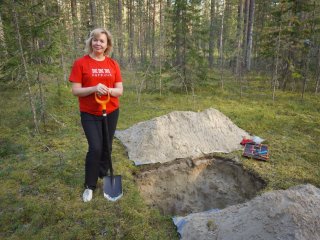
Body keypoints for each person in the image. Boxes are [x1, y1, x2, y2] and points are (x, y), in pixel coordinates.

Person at [69, 28, 123, 202]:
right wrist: (94, 88)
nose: (98, 43)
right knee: (95, 148)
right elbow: (75, 90)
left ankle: (103, 175)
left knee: (107, 147)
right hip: (90, 113)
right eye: (95, 40)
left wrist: (109, 90)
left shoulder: (113, 64)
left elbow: (120, 90)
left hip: (111, 110)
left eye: (102, 41)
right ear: (91, 42)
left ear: (107, 45)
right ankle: (89, 185)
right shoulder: (81, 63)